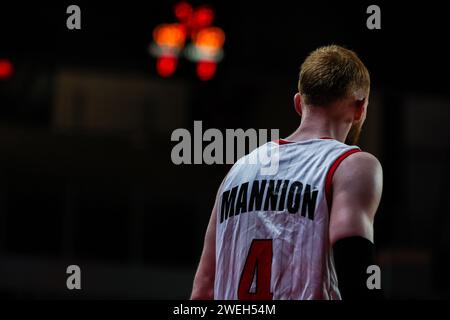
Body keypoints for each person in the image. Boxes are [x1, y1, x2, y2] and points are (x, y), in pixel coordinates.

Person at [190, 45, 383, 300]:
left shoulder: (239, 170)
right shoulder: (352, 164)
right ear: (360, 108)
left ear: (298, 103)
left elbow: (203, 289)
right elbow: (355, 270)